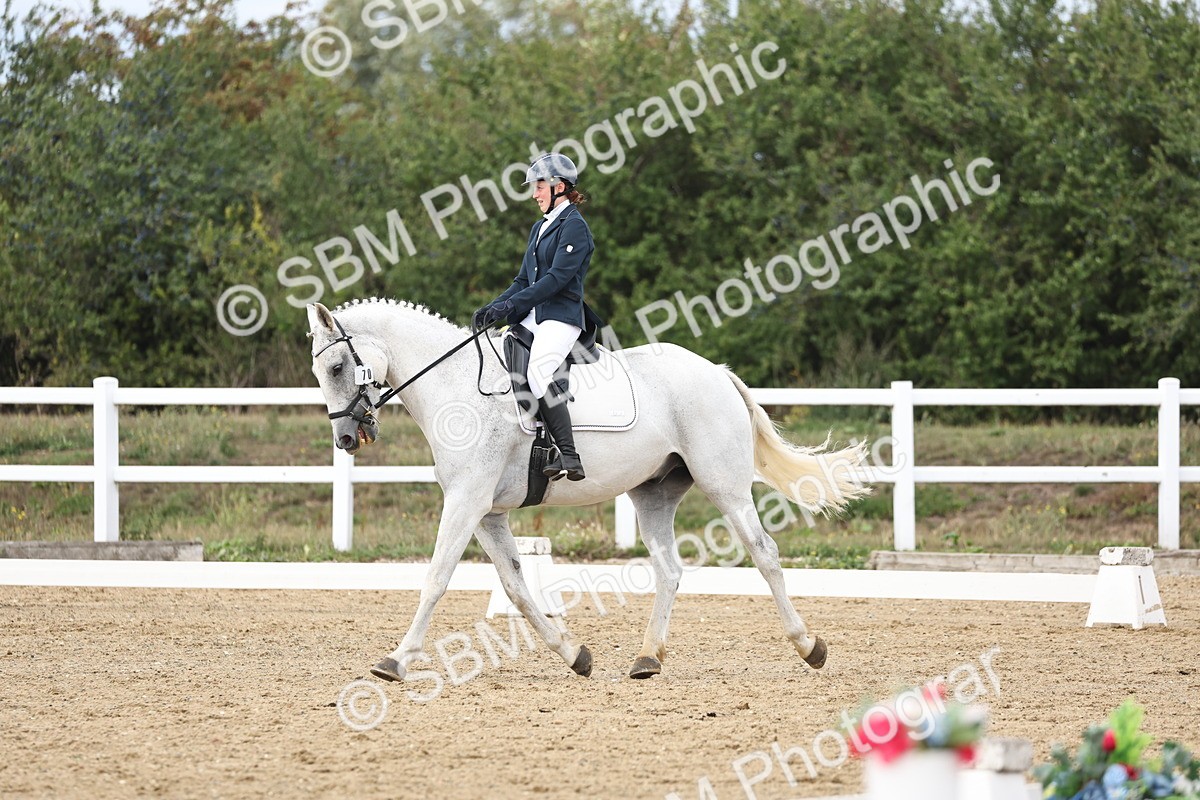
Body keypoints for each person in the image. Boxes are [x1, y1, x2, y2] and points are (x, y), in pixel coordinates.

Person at [474, 153, 594, 481]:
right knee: (507, 341)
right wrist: (493, 307)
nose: (534, 193)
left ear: (559, 186)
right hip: (537, 315)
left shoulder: (575, 228)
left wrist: (513, 307)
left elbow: (555, 281)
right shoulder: (539, 227)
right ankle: (535, 434)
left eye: (539, 186)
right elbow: (523, 281)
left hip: (562, 315)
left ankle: (569, 455)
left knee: (540, 373)